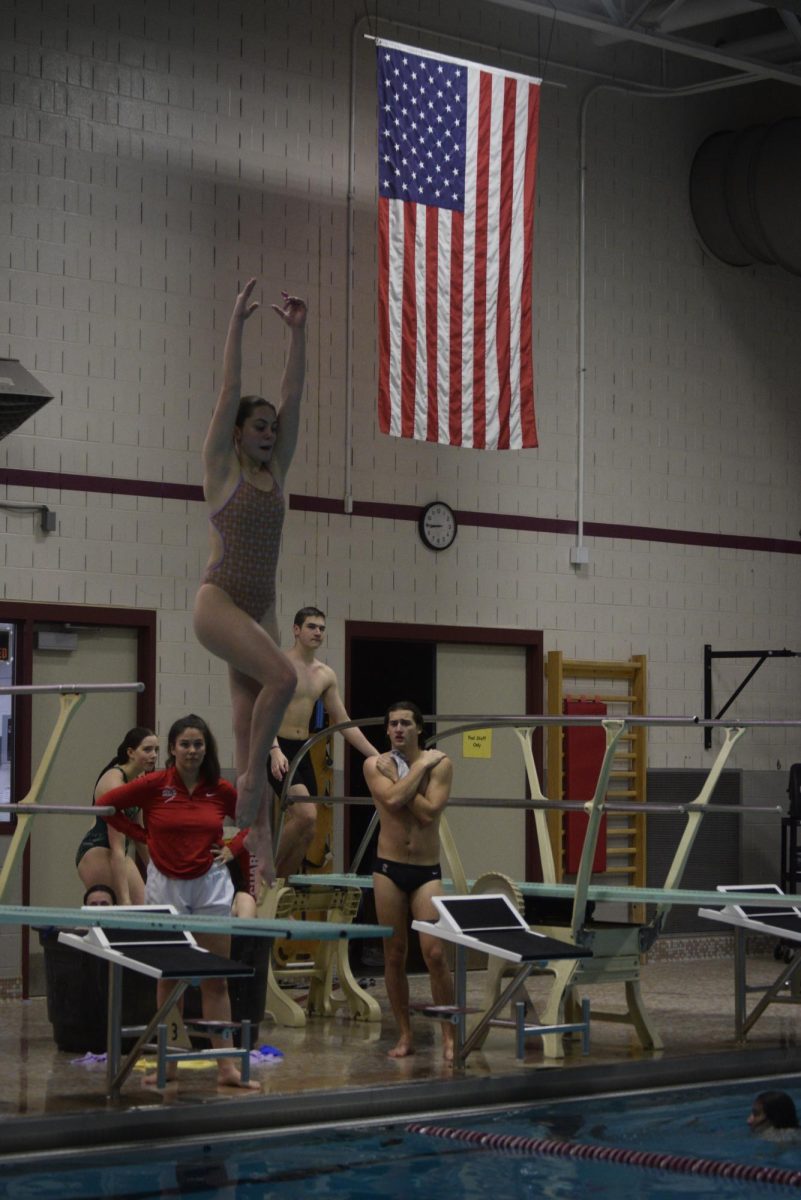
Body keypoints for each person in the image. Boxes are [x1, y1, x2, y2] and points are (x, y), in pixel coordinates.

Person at [193, 278, 307, 886]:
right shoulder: (222, 470)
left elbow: (293, 394)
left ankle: (255, 853)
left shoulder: (278, 472)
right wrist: (237, 324)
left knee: (245, 727)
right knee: (285, 676)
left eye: (271, 427)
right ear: (237, 434)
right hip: (219, 601)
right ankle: (246, 781)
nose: (268, 432)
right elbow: (229, 390)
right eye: (258, 426)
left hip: (259, 606)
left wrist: (298, 332)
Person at [101, 713, 258, 1090]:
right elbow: (107, 804)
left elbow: (253, 820)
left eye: (198, 744)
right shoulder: (154, 785)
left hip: (210, 886)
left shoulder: (219, 789)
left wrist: (233, 848)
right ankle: (167, 1064)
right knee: (169, 979)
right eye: (185, 744)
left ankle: (227, 1068)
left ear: (207, 749)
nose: (191, 750)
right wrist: (143, 835)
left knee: (216, 979)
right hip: (166, 884)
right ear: (172, 748)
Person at [363, 701, 455, 1061]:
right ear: (386, 731)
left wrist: (406, 776)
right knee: (394, 954)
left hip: (425, 871)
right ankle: (404, 1034)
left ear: (419, 728)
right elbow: (391, 800)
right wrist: (417, 768)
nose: (398, 729)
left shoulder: (441, 764)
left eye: (405, 723)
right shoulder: (374, 764)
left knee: (434, 953)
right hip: (387, 868)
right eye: (393, 724)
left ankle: (449, 1034)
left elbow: (430, 813)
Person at [269, 606, 380, 878]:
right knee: (305, 815)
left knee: (310, 827)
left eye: (321, 628)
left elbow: (343, 722)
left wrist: (375, 755)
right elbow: (262, 712)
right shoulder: (278, 664)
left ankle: (279, 887)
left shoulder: (325, 674)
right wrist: (273, 750)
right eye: (311, 626)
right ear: (296, 630)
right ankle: (266, 875)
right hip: (274, 745)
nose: (317, 632)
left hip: (302, 749)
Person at [76, 727, 158, 906]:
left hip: (118, 852)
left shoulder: (140, 779)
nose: (154, 755)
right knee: (126, 909)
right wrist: (124, 900)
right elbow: (117, 848)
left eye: (156, 750)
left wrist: (157, 872)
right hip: (97, 850)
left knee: (144, 907)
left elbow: (139, 835)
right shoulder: (114, 784)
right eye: (147, 750)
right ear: (130, 752)